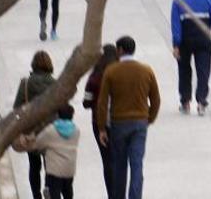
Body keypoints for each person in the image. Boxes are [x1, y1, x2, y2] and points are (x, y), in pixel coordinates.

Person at [96, 36, 161, 199]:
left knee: (120, 166)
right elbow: (156, 99)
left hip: (119, 122)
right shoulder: (146, 70)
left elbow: (102, 102)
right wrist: (149, 118)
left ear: (120, 50)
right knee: (137, 164)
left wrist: (102, 127)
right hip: (139, 123)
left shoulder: (111, 71)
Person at [170, 0, 211, 116]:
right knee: (203, 71)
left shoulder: (178, 0)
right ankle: (201, 102)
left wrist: (176, 45)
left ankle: (185, 102)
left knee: (184, 70)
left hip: (185, 40)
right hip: (203, 39)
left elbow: (176, 25)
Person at [13, 51, 56, 199]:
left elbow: (17, 107)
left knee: (34, 165)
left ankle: (36, 195)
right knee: (50, 165)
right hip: (51, 130)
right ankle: (48, 189)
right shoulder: (55, 84)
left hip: (31, 131)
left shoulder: (26, 83)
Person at [82, 44, 118, 197]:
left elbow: (86, 102)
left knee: (107, 159)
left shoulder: (94, 77)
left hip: (99, 122)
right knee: (119, 158)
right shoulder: (120, 73)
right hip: (119, 120)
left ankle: (111, 193)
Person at [27, 104, 80, 199]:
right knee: (68, 192)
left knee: (54, 194)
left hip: (54, 171)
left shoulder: (50, 131)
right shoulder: (76, 131)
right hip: (69, 170)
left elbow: (37, 144)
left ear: (58, 115)